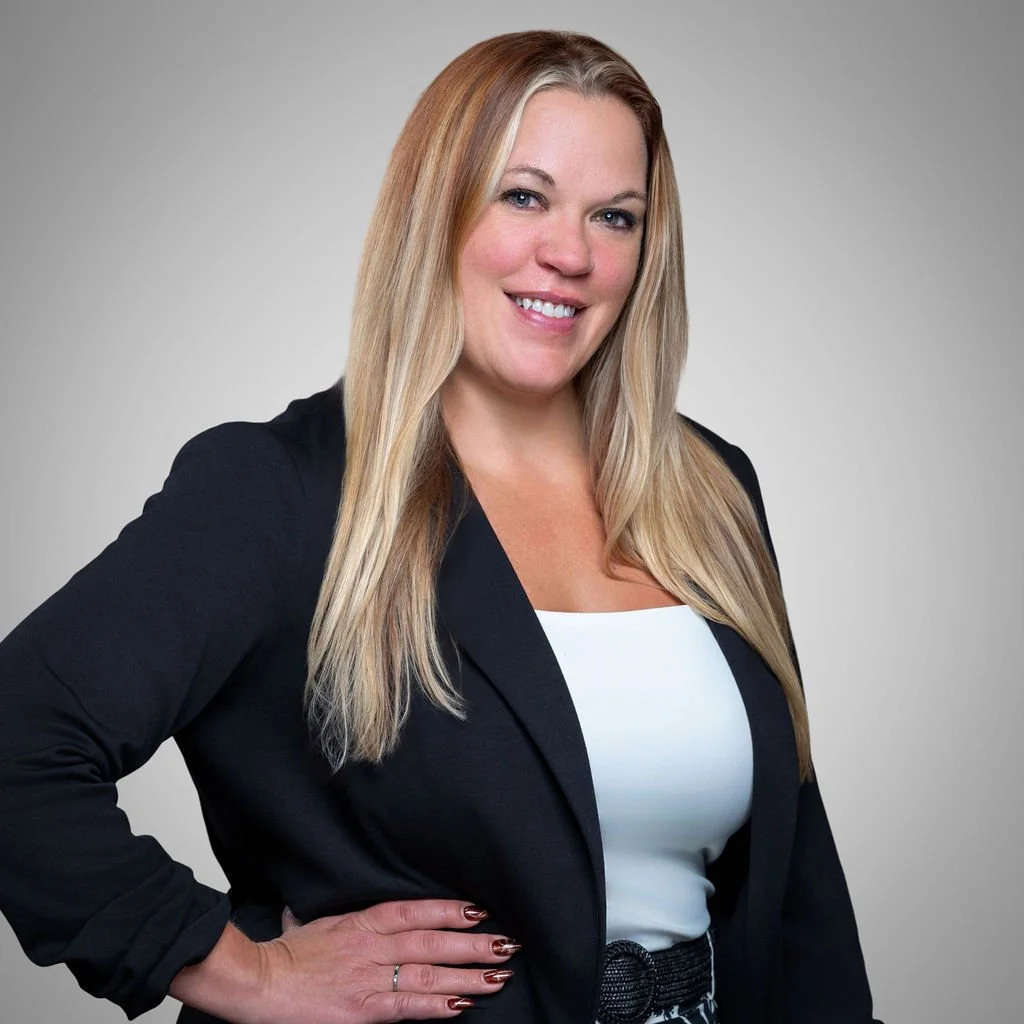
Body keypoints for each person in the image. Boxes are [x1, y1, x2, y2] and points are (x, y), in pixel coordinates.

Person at [0, 30, 882, 1024]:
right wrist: (244, 972)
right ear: (436, 211)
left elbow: (798, 886)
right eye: (523, 196)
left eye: (615, 216)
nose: (572, 252)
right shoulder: (279, 493)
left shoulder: (710, 489)